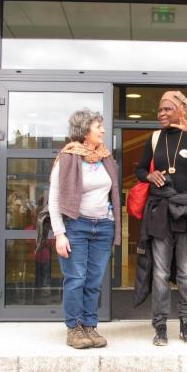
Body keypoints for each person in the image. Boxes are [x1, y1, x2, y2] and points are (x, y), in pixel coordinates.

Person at [134, 90, 187, 346]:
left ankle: (186, 324)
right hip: (161, 213)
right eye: (160, 110)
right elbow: (140, 168)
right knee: (160, 273)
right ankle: (160, 326)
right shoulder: (154, 138)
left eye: (167, 109)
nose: (161, 114)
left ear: (181, 110)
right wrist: (149, 176)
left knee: (185, 273)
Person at [49, 109, 121, 349]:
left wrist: (111, 219)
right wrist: (60, 234)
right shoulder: (68, 157)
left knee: (94, 280)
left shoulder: (106, 158)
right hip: (76, 226)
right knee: (76, 278)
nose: (102, 130)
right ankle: (74, 328)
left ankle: (90, 325)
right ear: (84, 130)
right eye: (98, 126)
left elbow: (112, 193)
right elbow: (54, 199)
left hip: (103, 227)